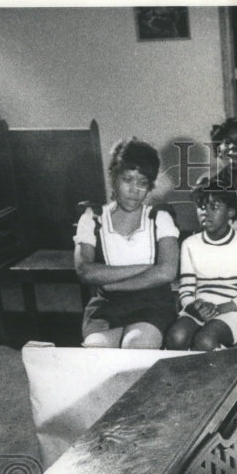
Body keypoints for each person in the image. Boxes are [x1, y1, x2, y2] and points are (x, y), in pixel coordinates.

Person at [74, 137, 179, 349]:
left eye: (142, 183)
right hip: (107, 306)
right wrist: (146, 268)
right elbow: (86, 271)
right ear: (113, 178)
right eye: (127, 179)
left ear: (150, 186)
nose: (134, 190)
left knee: (135, 348)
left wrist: (111, 283)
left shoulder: (159, 218)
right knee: (97, 352)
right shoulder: (92, 218)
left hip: (153, 304)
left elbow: (167, 272)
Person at [166, 181, 237, 351]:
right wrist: (194, 306)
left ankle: (224, 365)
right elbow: (186, 289)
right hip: (200, 309)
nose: (206, 213)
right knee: (177, 336)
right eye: (201, 207)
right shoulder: (190, 244)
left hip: (234, 310)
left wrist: (221, 308)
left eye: (214, 207)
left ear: (230, 212)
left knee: (205, 340)